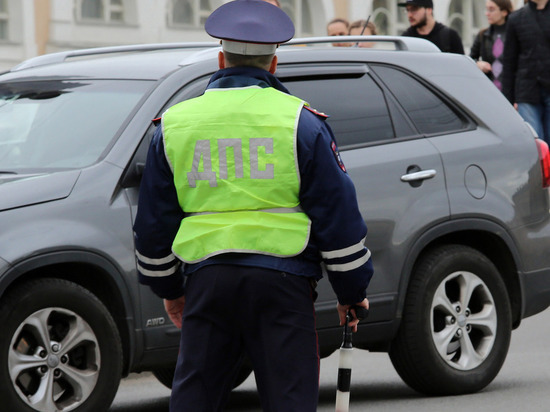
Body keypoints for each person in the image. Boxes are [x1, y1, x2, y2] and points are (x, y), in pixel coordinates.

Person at [133, 0, 373, 411]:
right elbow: (338, 217)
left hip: (208, 281)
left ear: (220, 58)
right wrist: (352, 291)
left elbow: (153, 225)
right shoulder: (302, 122)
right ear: (274, 64)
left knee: (195, 399)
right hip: (284, 282)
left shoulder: (173, 124)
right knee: (290, 399)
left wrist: (170, 290)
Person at [501, 0, 550, 143]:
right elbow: (509, 61)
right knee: (534, 141)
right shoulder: (516, 18)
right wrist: (508, 100)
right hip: (526, 89)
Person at [470, 0, 513, 91]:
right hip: (488, 90)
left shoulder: (515, 34)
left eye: (491, 10)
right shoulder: (483, 35)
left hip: (511, 92)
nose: (487, 13)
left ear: (504, 12)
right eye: (486, 10)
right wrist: (478, 64)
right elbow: (469, 59)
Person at [398, 0, 465, 54]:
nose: (409, 15)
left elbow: (461, 66)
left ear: (429, 10)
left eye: (414, 9)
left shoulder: (449, 36)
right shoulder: (406, 38)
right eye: (407, 10)